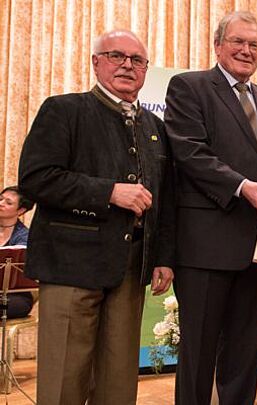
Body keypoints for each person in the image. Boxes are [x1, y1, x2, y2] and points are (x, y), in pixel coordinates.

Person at [18, 29, 175, 405]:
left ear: (146, 70)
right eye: (116, 55)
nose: (127, 65)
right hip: (71, 266)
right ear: (95, 62)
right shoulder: (63, 110)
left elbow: (166, 199)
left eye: (137, 60)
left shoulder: (155, 128)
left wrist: (164, 258)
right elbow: (37, 179)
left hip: (130, 268)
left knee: (118, 385)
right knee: (64, 382)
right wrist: (109, 192)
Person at [163, 11, 257, 405]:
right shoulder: (189, 87)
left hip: (255, 247)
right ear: (218, 45)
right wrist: (241, 185)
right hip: (204, 248)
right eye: (238, 42)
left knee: (244, 353)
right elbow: (188, 152)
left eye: (254, 45)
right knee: (198, 354)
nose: (246, 51)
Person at [0, 186, 35, 318]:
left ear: (21, 210)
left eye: (8, 203)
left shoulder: (25, 238)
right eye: (0, 199)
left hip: (14, 297)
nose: (1, 204)